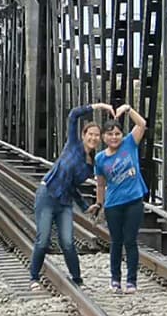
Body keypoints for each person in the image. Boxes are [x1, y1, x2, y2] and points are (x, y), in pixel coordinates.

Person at [30, 102, 115, 290]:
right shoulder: (73, 145)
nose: (93, 138)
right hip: (47, 195)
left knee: (67, 242)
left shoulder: (90, 165)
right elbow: (73, 115)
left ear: (99, 140)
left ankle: (77, 280)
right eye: (90, 134)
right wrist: (97, 106)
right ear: (84, 136)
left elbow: (73, 188)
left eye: (96, 135)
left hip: (64, 202)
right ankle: (34, 278)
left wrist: (86, 207)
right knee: (43, 239)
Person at [94, 103, 148, 294]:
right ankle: (115, 279)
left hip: (134, 200)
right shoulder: (100, 158)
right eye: (110, 134)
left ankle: (131, 281)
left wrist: (127, 109)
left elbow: (142, 124)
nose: (114, 137)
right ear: (103, 137)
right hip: (113, 204)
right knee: (116, 242)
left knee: (131, 241)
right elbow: (101, 184)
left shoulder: (129, 144)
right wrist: (99, 204)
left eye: (117, 133)